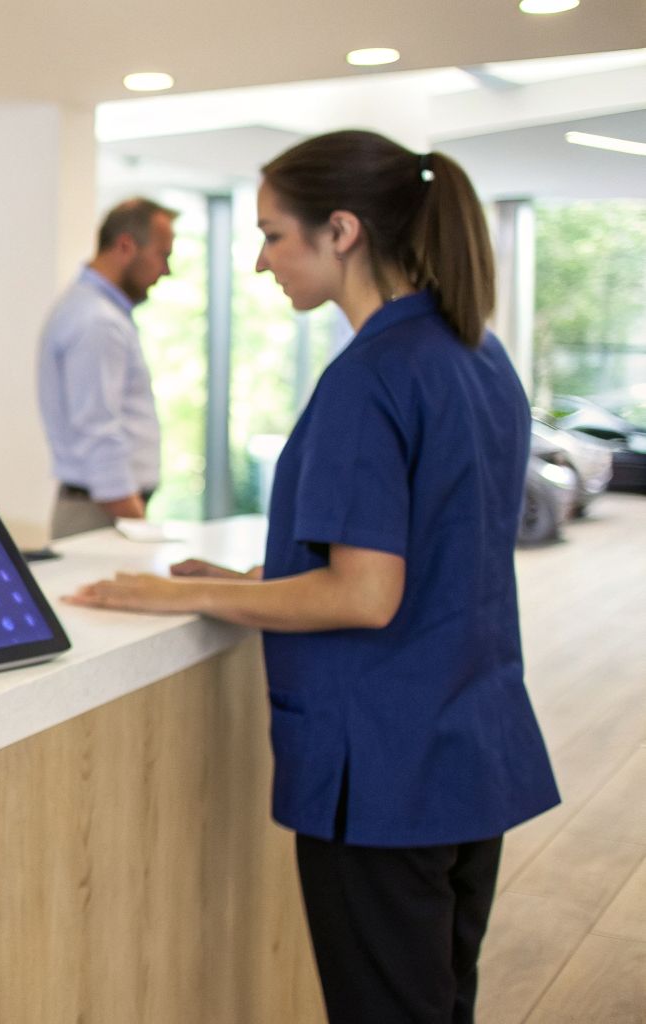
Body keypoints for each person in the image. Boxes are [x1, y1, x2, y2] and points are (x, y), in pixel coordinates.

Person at [65, 131, 559, 1024]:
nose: (260, 263)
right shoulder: (476, 355)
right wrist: (260, 576)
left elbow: (367, 595)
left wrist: (181, 594)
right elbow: (434, 549)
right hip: (464, 753)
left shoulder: (372, 377)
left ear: (341, 231)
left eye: (272, 235)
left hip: (384, 772)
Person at [37, 198, 177, 539]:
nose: (166, 270)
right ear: (126, 246)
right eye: (163, 254)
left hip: (104, 508)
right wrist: (135, 521)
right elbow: (97, 429)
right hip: (103, 513)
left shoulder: (97, 312)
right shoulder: (96, 321)